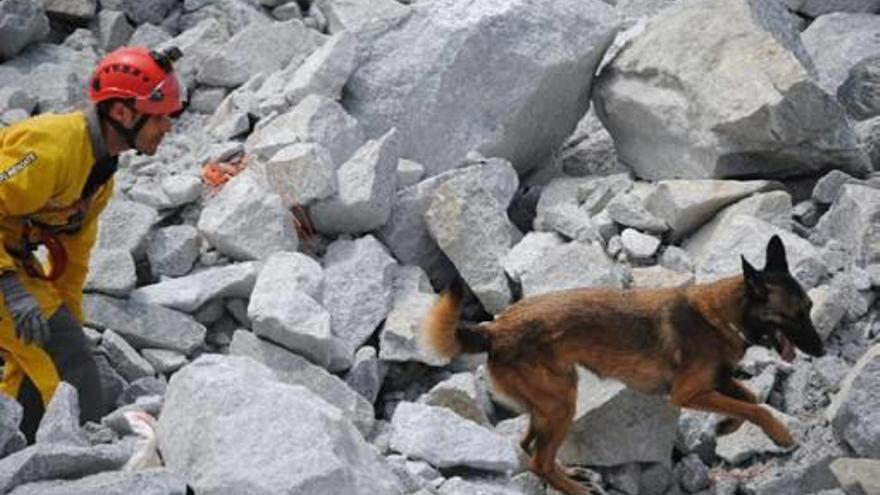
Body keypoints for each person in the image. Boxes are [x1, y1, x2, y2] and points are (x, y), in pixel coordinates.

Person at [0, 45, 184, 441]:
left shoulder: (99, 176)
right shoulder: (50, 148)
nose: (168, 126)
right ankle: (78, 458)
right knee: (71, 366)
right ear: (122, 113)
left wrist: (70, 318)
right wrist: (11, 288)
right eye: (160, 116)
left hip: (11, 263)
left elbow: (74, 258)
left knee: (42, 355)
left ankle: (19, 453)